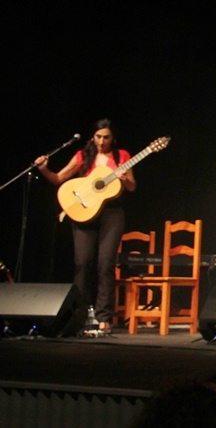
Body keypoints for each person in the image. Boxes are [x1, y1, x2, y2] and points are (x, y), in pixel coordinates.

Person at [34, 118, 136, 336]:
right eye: (98, 137)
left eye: (106, 137)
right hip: (85, 212)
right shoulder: (83, 156)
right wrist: (44, 169)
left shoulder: (122, 157)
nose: (102, 141)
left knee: (105, 264)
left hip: (112, 213)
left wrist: (124, 178)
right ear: (93, 136)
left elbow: (131, 186)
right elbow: (59, 178)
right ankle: (78, 315)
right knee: (82, 264)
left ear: (113, 138)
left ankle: (104, 317)